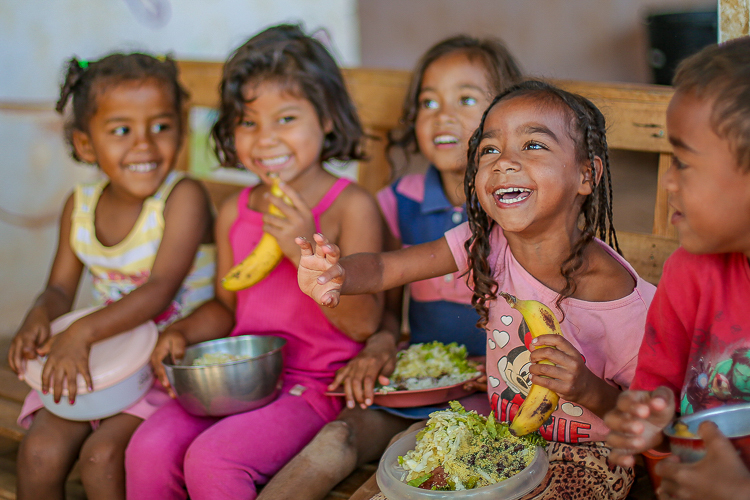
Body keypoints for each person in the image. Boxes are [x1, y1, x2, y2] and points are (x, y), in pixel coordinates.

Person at [296, 80, 657, 499]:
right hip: (500, 441)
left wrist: (586, 389)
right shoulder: (485, 241)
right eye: (489, 150)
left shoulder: (620, 299)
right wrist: (336, 273)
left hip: (586, 458)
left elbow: (644, 419)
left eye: (533, 145)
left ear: (586, 175)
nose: (504, 162)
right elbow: (380, 267)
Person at [124, 24, 384, 500]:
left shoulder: (351, 208)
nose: (265, 139)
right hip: (240, 376)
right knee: (148, 447)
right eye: (248, 122)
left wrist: (300, 249)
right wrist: (182, 333)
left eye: (285, 118)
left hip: (315, 387)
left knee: (213, 459)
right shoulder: (235, 211)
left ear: (326, 118)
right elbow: (228, 307)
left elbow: (365, 324)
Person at [257, 34, 522, 500]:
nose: (442, 115)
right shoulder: (398, 203)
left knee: (406, 465)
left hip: (496, 397)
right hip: (415, 384)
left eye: (465, 99)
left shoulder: (517, 207)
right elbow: (385, 298)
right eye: (428, 102)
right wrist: (380, 343)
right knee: (337, 439)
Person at [7, 53, 216, 500]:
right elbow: (60, 288)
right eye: (121, 130)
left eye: (160, 126)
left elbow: (160, 290)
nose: (144, 145)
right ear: (85, 145)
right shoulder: (79, 206)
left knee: (102, 457)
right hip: (108, 359)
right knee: (40, 451)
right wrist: (38, 317)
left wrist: (82, 332)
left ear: (179, 131)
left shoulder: (183, 198)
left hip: (169, 362)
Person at [604, 37, 750, 500]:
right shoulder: (689, 274)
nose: (667, 182)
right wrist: (652, 413)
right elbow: (659, 385)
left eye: (683, 163)